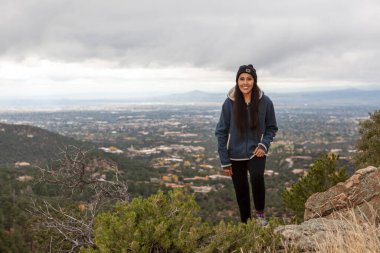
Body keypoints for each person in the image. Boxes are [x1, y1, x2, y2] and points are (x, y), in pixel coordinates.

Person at [215, 64, 278, 225]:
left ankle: (260, 217)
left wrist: (264, 145)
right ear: (237, 81)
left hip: (256, 151)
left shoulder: (265, 102)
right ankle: (246, 224)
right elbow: (221, 132)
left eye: (249, 79)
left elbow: (271, 127)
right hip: (234, 155)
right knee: (241, 190)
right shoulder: (229, 103)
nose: (245, 82)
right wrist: (225, 161)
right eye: (241, 79)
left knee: (257, 178)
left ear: (254, 81)